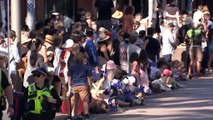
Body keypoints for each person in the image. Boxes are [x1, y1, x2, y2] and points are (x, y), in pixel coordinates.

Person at [67, 53, 93, 119]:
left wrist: (69, 88)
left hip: (74, 85)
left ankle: (69, 115)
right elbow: (88, 77)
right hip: (83, 85)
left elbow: (69, 78)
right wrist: (90, 85)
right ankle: (86, 114)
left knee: (72, 101)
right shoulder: (85, 67)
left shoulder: (72, 66)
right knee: (85, 101)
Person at [0, 50, 14, 119]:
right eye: (2, 59)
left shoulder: (1, 73)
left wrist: (11, 105)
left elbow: (7, 88)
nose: (3, 62)